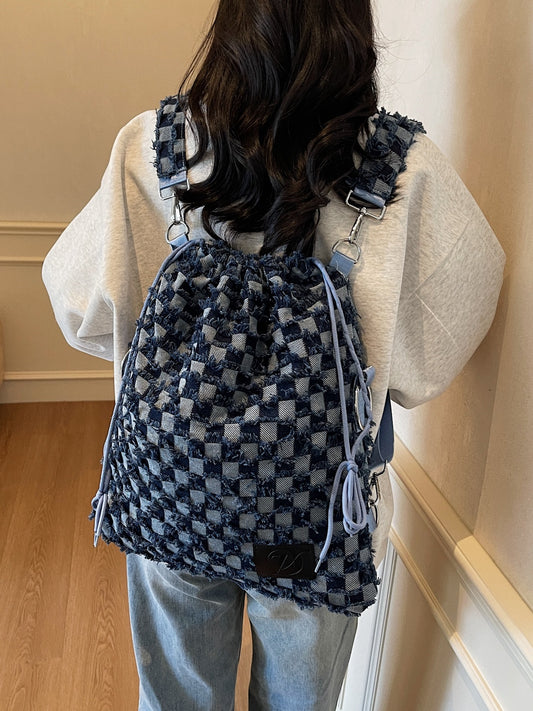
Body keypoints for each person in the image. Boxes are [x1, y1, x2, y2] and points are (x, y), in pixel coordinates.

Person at [42, 1, 505, 709]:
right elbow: (456, 318)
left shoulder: (150, 147)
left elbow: (75, 303)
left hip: (174, 493)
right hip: (315, 520)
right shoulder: (403, 170)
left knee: (174, 696)